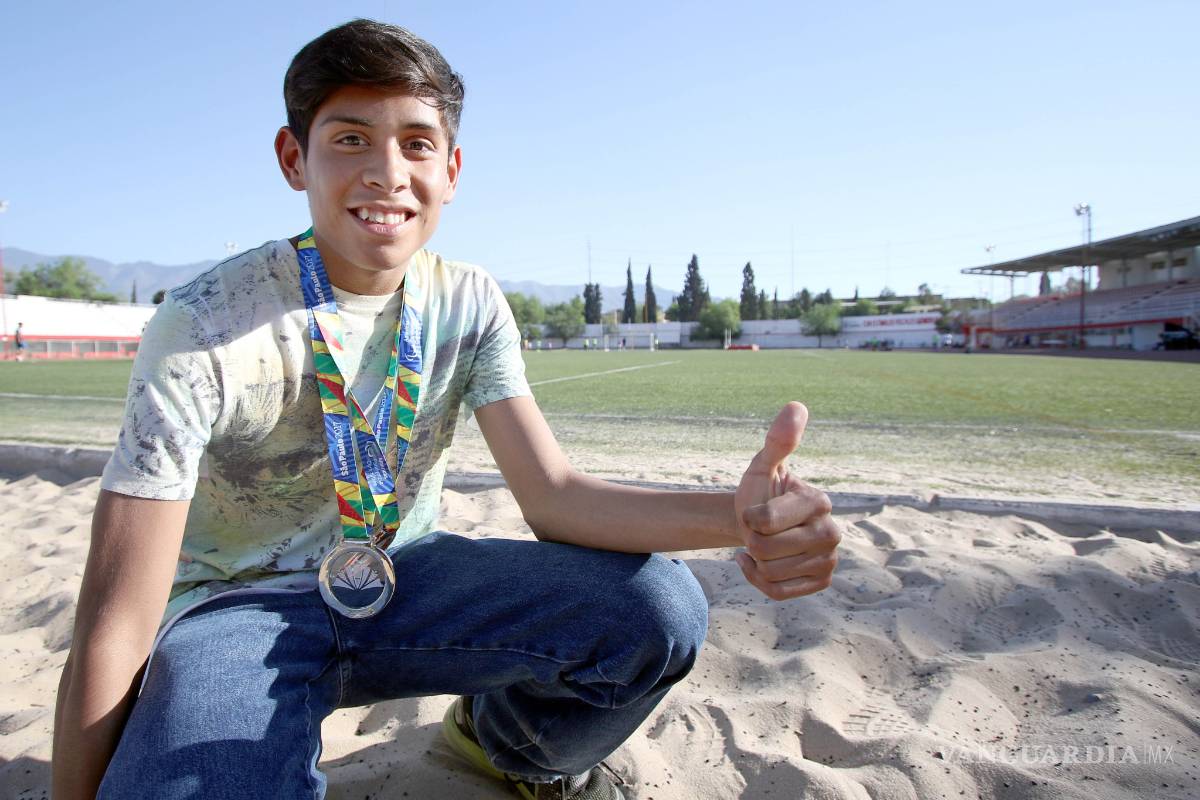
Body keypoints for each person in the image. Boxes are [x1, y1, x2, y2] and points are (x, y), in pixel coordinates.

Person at [51, 20, 839, 800]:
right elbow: (118, 611)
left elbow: (555, 497)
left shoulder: (468, 302)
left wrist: (739, 518)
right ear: (296, 159)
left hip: (410, 579)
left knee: (656, 609)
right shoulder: (205, 324)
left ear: (452, 168)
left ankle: (505, 749)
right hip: (234, 610)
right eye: (351, 139)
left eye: (417, 143)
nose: (388, 173)